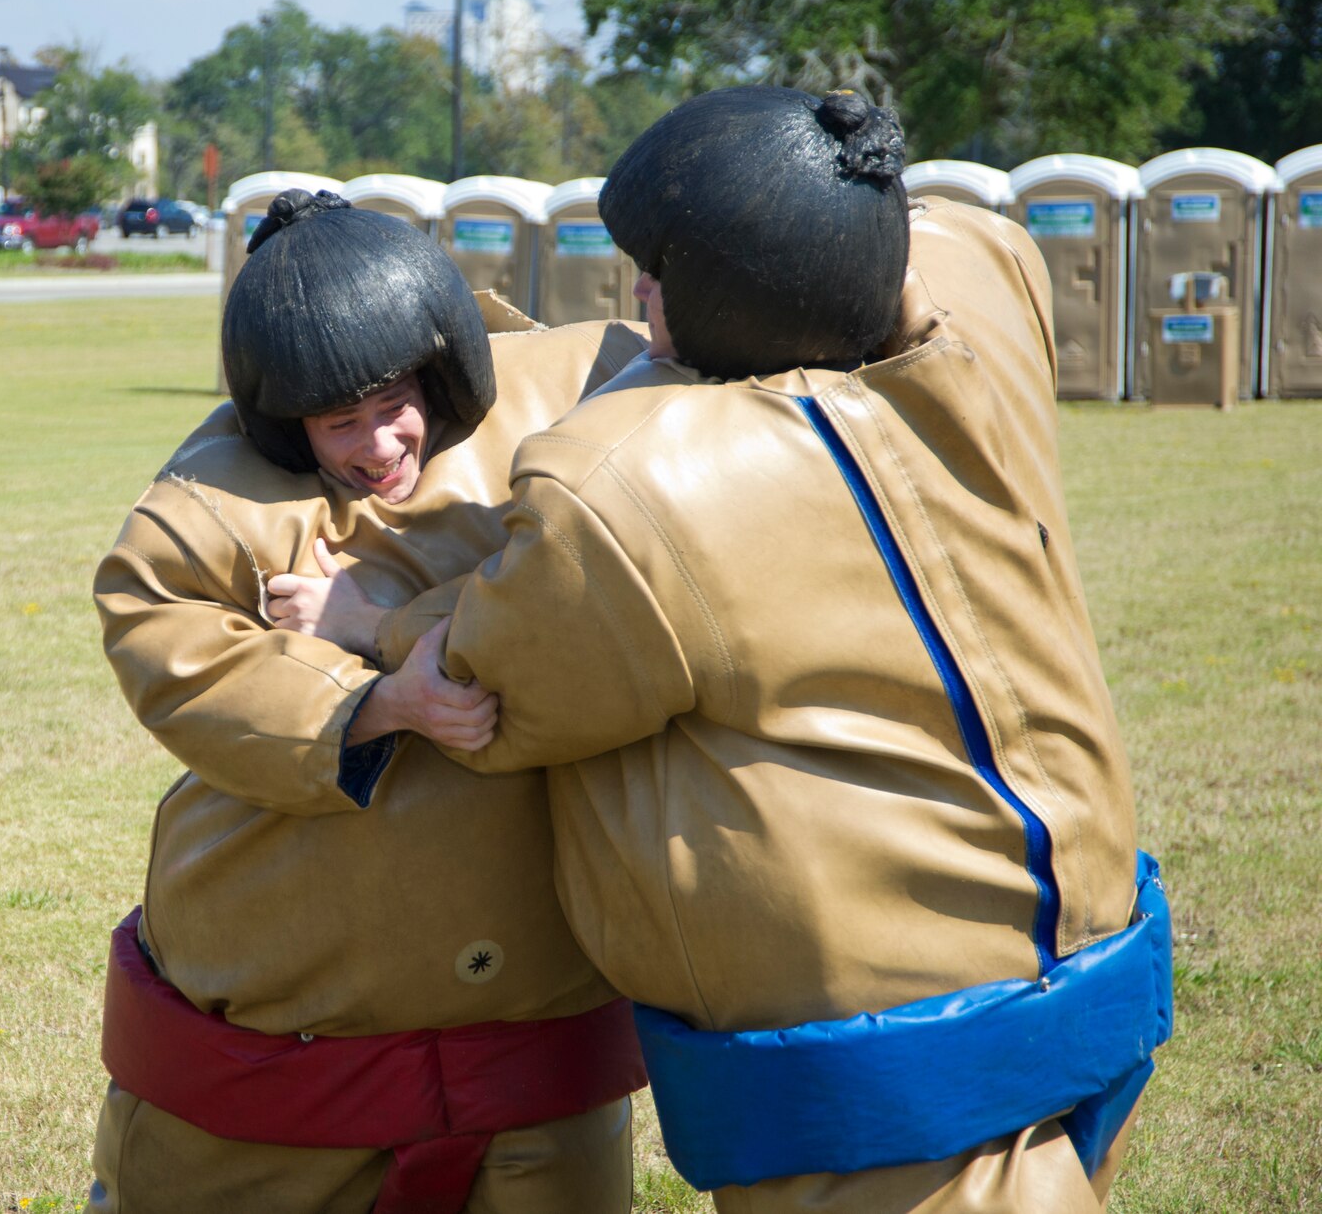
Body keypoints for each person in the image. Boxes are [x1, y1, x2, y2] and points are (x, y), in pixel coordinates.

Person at [281, 88, 1169, 1213]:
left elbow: (494, 683)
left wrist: (373, 619)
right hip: (1093, 967)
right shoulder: (976, 312)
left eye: (656, 267)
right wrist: (809, 230)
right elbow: (963, 232)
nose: (634, 288)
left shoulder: (637, 483)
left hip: (897, 1074)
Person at [86, 190, 650, 1214]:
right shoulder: (217, 504)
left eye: (392, 406)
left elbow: (606, 577)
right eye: (336, 422)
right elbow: (159, 627)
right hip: (287, 1031)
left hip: (532, 1031)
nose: (375, 444)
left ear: (440, 368)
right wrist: (381, 704)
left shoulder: (578, 390)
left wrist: (377, 615)